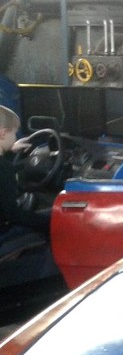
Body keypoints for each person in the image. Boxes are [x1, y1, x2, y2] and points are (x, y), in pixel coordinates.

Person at [0, 106, 51, 254]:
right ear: (3, 133)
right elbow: (13, 214)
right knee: (57, 216)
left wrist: (10, 149)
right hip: (3, 232)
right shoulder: (3, 168)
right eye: (14, 133)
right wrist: (47, 223)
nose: (15, 138)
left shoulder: (5, 165)